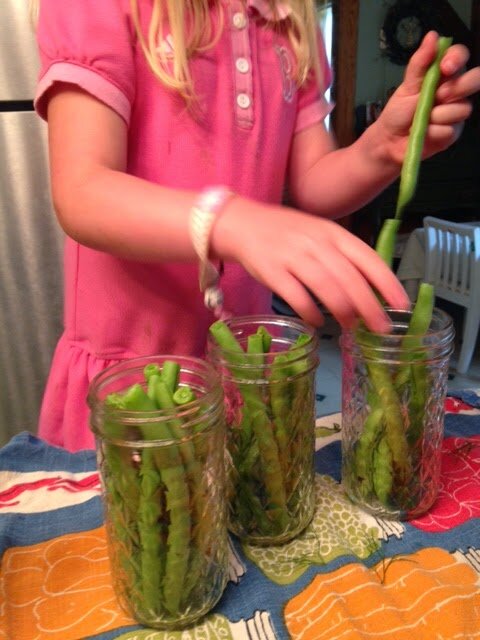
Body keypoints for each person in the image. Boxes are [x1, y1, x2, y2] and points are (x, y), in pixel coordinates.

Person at [32, 0, 480, 451]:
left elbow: (311, 183)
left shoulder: (288, 21)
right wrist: (232, 221)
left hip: (241, 370)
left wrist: (380, 148)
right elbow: (83, 190)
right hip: (130, 384)